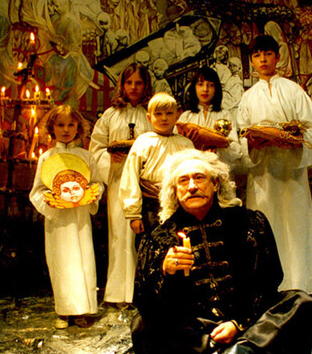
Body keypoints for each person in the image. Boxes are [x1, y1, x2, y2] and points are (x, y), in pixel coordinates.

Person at [131, 149, 312, 354]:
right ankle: (240, 353)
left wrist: (239, 324)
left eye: (199, 178)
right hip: (193, 327)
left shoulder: (250, 222)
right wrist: (164, 272)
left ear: (215, 184)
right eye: (183, 181)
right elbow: (144, 301)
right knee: (141, 324)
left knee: (300, 302)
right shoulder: (158, 238)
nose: (192, 186)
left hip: (247, 320)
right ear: (175, 191)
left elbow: (269, 281)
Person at [238, 35, 312, 294]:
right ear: (252, 61)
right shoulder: (248, 98)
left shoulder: (293, 90)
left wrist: (295, 141)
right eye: (257, 55)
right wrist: (253, 142)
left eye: (267, 54)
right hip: (264, 173)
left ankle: (300, 284)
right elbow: (241, 135)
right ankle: (266, 287)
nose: (263, 60)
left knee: (295, 226)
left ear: (277, 57)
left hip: (291, 171)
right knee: (266, 224)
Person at [30, 105, 103, 329]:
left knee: (83, 260)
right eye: (60, 125)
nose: (65, 130)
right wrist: (51, 202)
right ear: (52, 128)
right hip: (58, 220)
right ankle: (63, 310)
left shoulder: (86, 156)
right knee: (61, 262)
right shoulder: (47, 157)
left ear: (78, 128)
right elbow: (37, 190)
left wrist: (90, 195)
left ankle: (81, 310)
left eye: (71, 125)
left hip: (80, 218)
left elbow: (97, 183)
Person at [89, 63, 153, 307]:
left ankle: (143, 292)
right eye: (129, 83)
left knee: (144, 236)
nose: (133, 87)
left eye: (138, 83)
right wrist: (110, 157)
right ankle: (118, 294)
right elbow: (95, 148)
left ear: (146, 86)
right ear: (122, 85)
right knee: (119, 235)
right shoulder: (110, 115)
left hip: (146, 183)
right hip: (118, 181)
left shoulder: (151, 113)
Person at [119, 92, 194, 245]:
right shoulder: (143, 142)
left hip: (179, 205)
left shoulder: (186, 144)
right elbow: (130, 177)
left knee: (179, 245)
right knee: (150, 246)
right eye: (158, 114)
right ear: (149, 117)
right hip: (150, 207)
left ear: (177, 116)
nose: (164, 118)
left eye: (169, 113)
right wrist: (134, 214)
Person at [179, 66, 244, 172]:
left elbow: (236, 150)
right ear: (194, 87)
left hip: (220, 170)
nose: (205, 89)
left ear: (216, 89)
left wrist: (221, 145)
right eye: (200, 84)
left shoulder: (225, 115)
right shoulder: (186, 117)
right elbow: (176, 149)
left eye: (210, 85)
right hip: (193, 171)